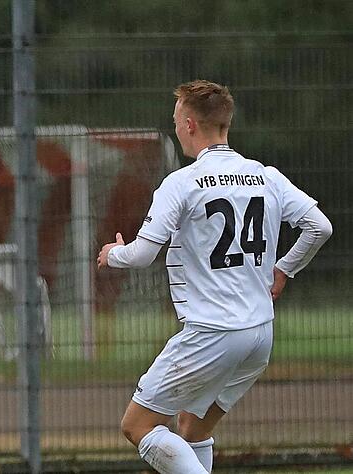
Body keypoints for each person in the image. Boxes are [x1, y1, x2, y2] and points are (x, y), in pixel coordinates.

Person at [97, 80, 332, 473]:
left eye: (175, 120)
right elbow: (319, 227)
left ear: (189, 124)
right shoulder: (265, 176)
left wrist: (112, 255)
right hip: (259, 333)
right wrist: (284, 268)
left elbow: (141, 254)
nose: (174, 128)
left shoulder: (182, 183)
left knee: (137, 425)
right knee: (191, 427)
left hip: (212, 331)